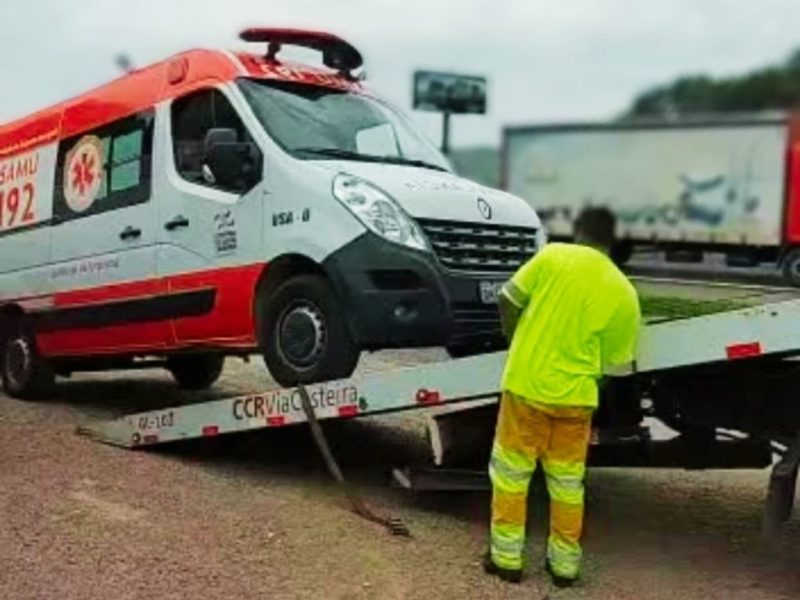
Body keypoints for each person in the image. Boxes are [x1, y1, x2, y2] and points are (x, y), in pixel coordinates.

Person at [484, 207, 641, 588]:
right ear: (613, 239)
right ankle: (565, 567)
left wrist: (514, 336)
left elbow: (507, 298)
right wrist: (589, 387)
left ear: (578, 230)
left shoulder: (552, 257)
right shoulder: (624, 291)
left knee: (511, 476)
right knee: (568, 484)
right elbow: (619, 369)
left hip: (527, 386)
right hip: (577, 400)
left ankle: (507, 559)